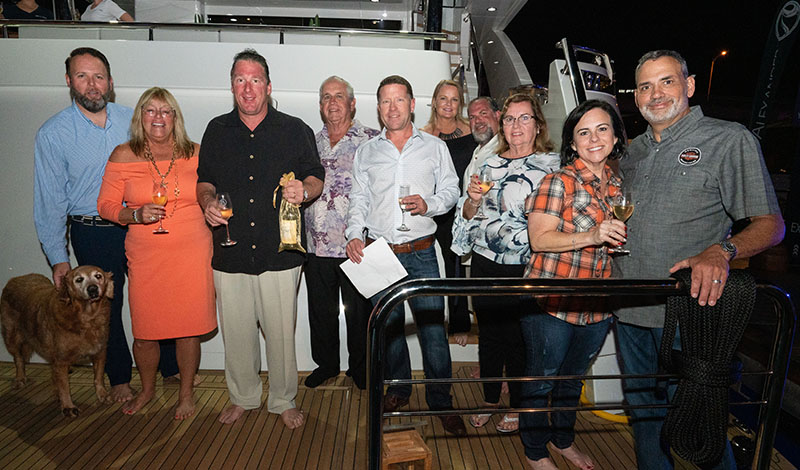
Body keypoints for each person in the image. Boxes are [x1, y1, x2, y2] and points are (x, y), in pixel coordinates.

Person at [614, 50, 785, 470]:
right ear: (635, 97)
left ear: (689, 86)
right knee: (644, 415)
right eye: (645, 86)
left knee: (700, 422)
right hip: (628, 310)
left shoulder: (728, 139)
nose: (655, 94)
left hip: (689, 312)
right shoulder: (631, 152)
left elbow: (770, 225)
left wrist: (721, 251)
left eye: (667, 81)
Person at [33, 47, 179, 405]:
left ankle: (170, 366)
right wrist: (58, 258)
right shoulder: (53, 134)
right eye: (82, 76)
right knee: (104, 309)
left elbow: (165, 166)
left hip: (140, 225)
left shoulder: (135, 120)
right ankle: (119, 377)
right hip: (92, 231)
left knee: (156, 295)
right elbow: (49, 201)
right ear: (69, 81)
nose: (92, 84)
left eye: (98, 76)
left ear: (110, 82)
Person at [196, 48, 324, 429]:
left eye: (255, 80)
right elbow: (205, 181)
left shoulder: (295, 129)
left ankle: (283, 399)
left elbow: (316, 176)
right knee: (236, 334)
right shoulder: (216, 130)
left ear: (268, 86)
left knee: (281, 334)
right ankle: (243, 396)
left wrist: (305, 190)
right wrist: (206, 202)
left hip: (280, 253)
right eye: (240, 80)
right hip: (230, 251)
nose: (248, 88)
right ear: (231, 86)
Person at [345, 75, 466, 436]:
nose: (392, 107)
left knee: (433, 331)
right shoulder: (367, 151)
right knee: (390, 330)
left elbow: (452, 190)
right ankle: (398, 390)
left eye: (399, 100)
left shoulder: (434, 147)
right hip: (380, 252)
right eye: (385, 101)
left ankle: (441, 401)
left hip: (422, 251)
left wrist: (429, 204)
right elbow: (358, 199)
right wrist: (354, 234)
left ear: (412, 105)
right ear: (378, 107)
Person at [521, 99, 628, 470]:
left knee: (572, 381)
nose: (594, 138)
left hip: (597, 305)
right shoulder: (558, 181)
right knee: (542, 381)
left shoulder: (618, 186)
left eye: (602, 129)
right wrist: (593, 235)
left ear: (615, 137)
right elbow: (539, 240)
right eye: (584, 132)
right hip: (552, 302)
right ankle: (535, 450)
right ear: (572, 142)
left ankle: (563, 440)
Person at [97, 87, 216, 419]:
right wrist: (133, 214)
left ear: (175, 117)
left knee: (188, 327)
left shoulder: (197, 153)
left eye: (165, 111)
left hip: (192, 252)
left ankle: (186, 394)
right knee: (145, 329)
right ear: (140, 117)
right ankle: (147, 390)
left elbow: (213, 190)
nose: (158, 117)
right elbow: (105, 205)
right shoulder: (123, 155)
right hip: (146, 254)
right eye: (150, 111)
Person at [452, 93, 560, 434]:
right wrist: (472, 200)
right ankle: (489, 399)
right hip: (485, 262)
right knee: (489, 335)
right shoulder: (488, 164)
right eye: (510, 118)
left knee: (518, 338)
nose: (516, 125)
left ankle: (516, 404)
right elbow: (468, 213)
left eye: (524, 118)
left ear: (538, 125)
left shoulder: (552, 166)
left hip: (526, 264)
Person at [303, 76, 378, 390]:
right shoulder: (309, 141)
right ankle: (326, 365)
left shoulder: (372, 140)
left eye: (338, 96)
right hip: (315, 245)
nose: (332, 103)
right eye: (326, 97)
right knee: (321, 313)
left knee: (359, 314)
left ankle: (360, 369)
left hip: (355, 245)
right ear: (320, 104)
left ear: (352, 103)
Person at [422, 79, 475, 345]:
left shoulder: (472, 133)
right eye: (443, 98)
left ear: (460, 104)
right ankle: (428, 323)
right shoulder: (422, 135)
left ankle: (460, 323)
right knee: (427, 266)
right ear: (434, 102)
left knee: (455, 267)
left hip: (462, 209)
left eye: (454, 100)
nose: (448, 104)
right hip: (431, 209)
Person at [463, 96, 502, 193]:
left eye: (483, 113)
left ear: (497, 115)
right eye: (472, 117)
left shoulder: (504, 151)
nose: (477, 121)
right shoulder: (477, 151)